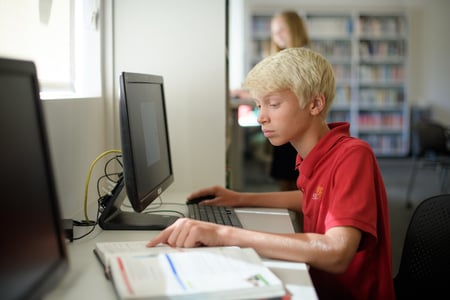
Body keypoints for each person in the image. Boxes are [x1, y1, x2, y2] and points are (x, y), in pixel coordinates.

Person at [147, 47, 395, 299]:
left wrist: (224, 234)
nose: (261, 117)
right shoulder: (314, 155)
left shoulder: (353, 155)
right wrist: (239, 198)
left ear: (315, 103)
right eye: (258, 105)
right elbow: (315, 199)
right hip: (318, 286)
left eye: (273, 104)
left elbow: (336, 252)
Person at [233, 11, 311, 191]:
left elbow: (285, 91)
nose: (277, 36)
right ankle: (294, 218)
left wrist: (253, 94)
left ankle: (299, 219)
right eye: (274, 32)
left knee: (297, 182)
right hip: (285, 125)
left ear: (295, 28)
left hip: (295, 126)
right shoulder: (283, 58)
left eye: (282, 30)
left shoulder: (302, 58)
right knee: (287, 181)